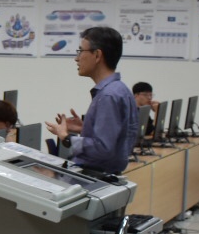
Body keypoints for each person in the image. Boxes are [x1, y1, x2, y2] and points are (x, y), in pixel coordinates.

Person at [46, 26, 140, 174]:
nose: (76, 58)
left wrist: (66, 137)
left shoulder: (108, 96)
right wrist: (85, 129)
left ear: (97, 55)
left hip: (95, 177)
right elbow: (116, 138)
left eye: (80, 51)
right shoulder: (120, 89)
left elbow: (103, 149)